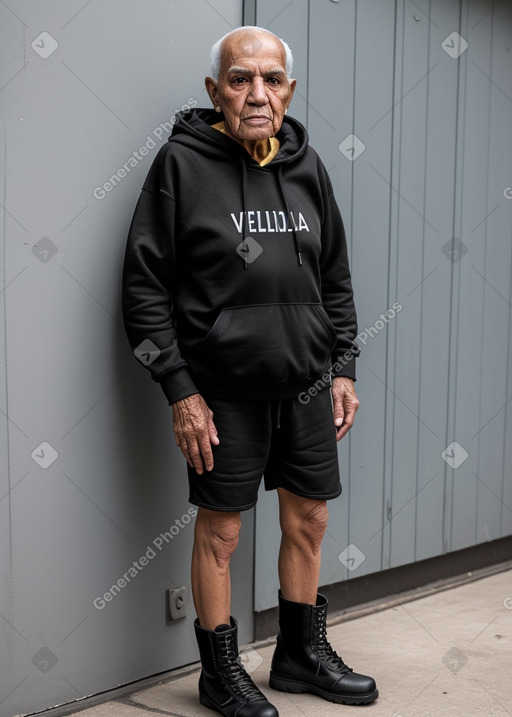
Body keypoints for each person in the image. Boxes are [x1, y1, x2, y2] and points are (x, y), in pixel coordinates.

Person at [122, 25, 378, 717]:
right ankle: (219, 672)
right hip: (220, 390)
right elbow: (143, 291)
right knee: (222, 533)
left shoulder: (308, 165)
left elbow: (336, 277)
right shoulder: (180, 166)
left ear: (288, 91)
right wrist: (181, 390)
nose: (256, 93)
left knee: (310, 518)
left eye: (271, 79)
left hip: (305, 382)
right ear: (215, 91)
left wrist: (344, 365)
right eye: (240, 79)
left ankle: (298, 654)